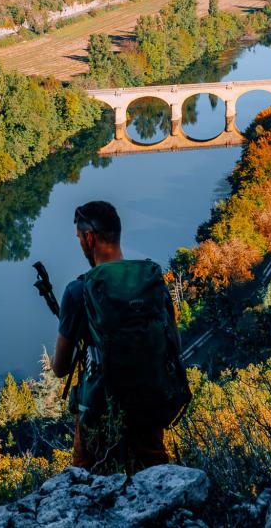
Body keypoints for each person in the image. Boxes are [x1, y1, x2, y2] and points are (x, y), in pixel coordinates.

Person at [52, 200, 183, 474]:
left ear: (90, 238)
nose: (80, 244)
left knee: (89, 484)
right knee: (153, 478)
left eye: (79, 238)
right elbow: (175, 345)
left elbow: (60, 368)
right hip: (149, 409)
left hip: (98, 414)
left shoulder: (79, 291)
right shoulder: (152, 282)